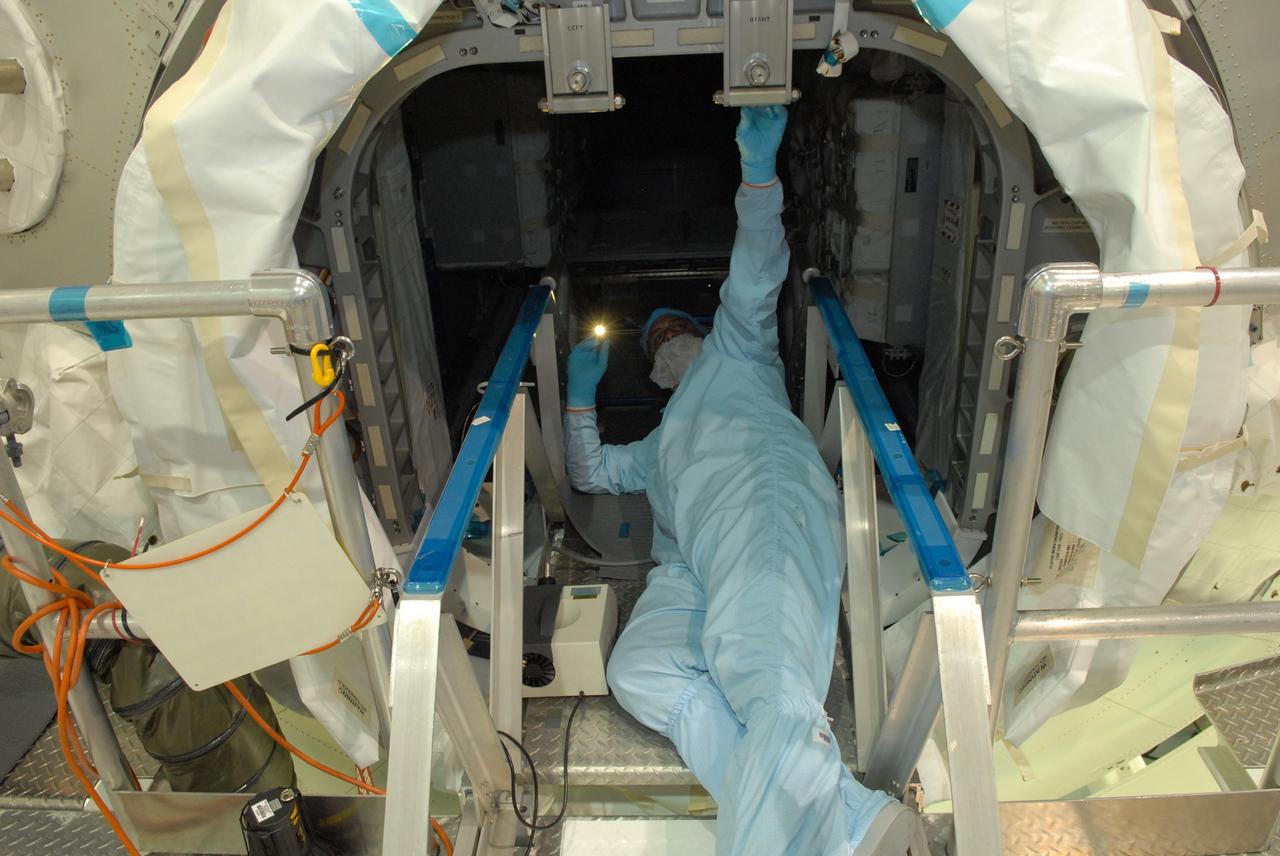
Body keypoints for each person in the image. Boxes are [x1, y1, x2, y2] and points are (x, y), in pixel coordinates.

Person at [562, 105, 917, 855]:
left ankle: (814, 833)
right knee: (638, 670)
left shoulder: (740, 354)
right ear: (654, 373)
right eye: (654, 340)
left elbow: (755, 272)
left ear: (698, 332)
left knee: (764, 678)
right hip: (693, 563)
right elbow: (591, 471)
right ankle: (844, 814)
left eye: (673, 327)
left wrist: (758, 176)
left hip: (763, 509)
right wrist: (577, 398)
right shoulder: (656, 446)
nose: (665, 338)